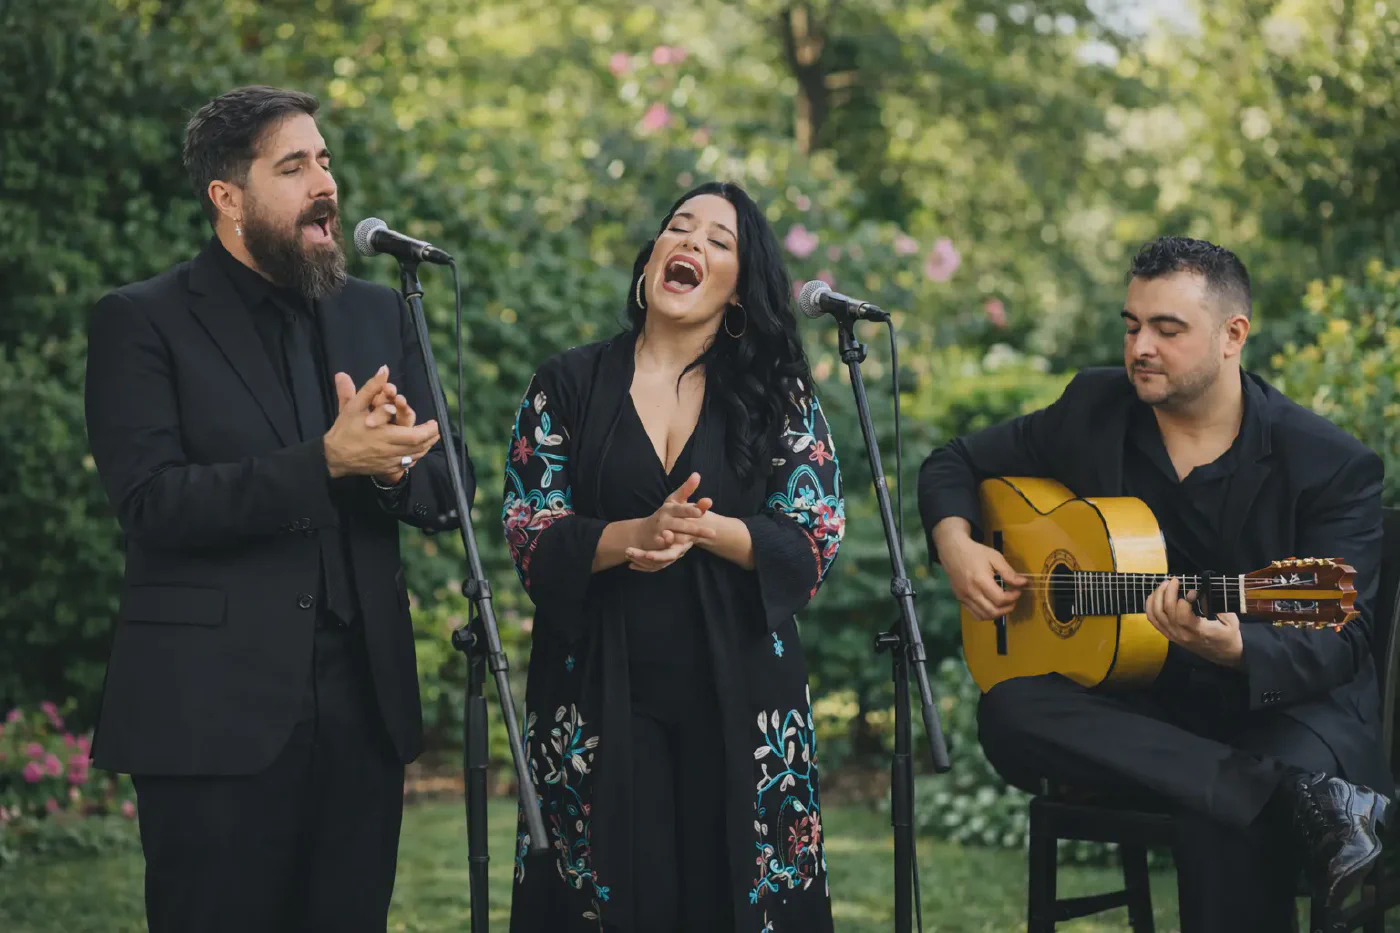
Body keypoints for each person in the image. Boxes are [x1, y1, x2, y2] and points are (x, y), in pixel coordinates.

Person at [919, 235, 1390, 930]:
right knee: (1010, 708)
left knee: (1219, 816)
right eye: (1132, 325)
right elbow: (954, 461)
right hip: (1148, 704)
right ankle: (1289, 796)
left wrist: (1237, 648)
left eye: (1168, 330)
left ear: (1233, 335)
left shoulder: (1328, 463)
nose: (1141, 347)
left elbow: (1343, 636)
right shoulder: (1096, 408)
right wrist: (956, 543)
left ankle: (1260, 788)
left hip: (1287, 711)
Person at [83, 85, 468, 933]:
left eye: (324, 161)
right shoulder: (141, 321)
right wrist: (326, 461)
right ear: (228, 197)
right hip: (212, 712)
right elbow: (152, 503)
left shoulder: (380, 310)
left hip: (364, 708)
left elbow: (451, 487)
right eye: (293, 167)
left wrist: (392, 470)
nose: (324, 183)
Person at [501, 181, 846, 932]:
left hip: (743, 695)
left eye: (719, 240)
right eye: (679, 227)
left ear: (739, 290)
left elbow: (814, 532)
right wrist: (636, 533)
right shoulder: (567, 382)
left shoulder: (777, 393)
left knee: (732, 895)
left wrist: (703, 529)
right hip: (596, 689)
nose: (691, 242)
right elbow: (530, 527)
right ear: (652, 258)